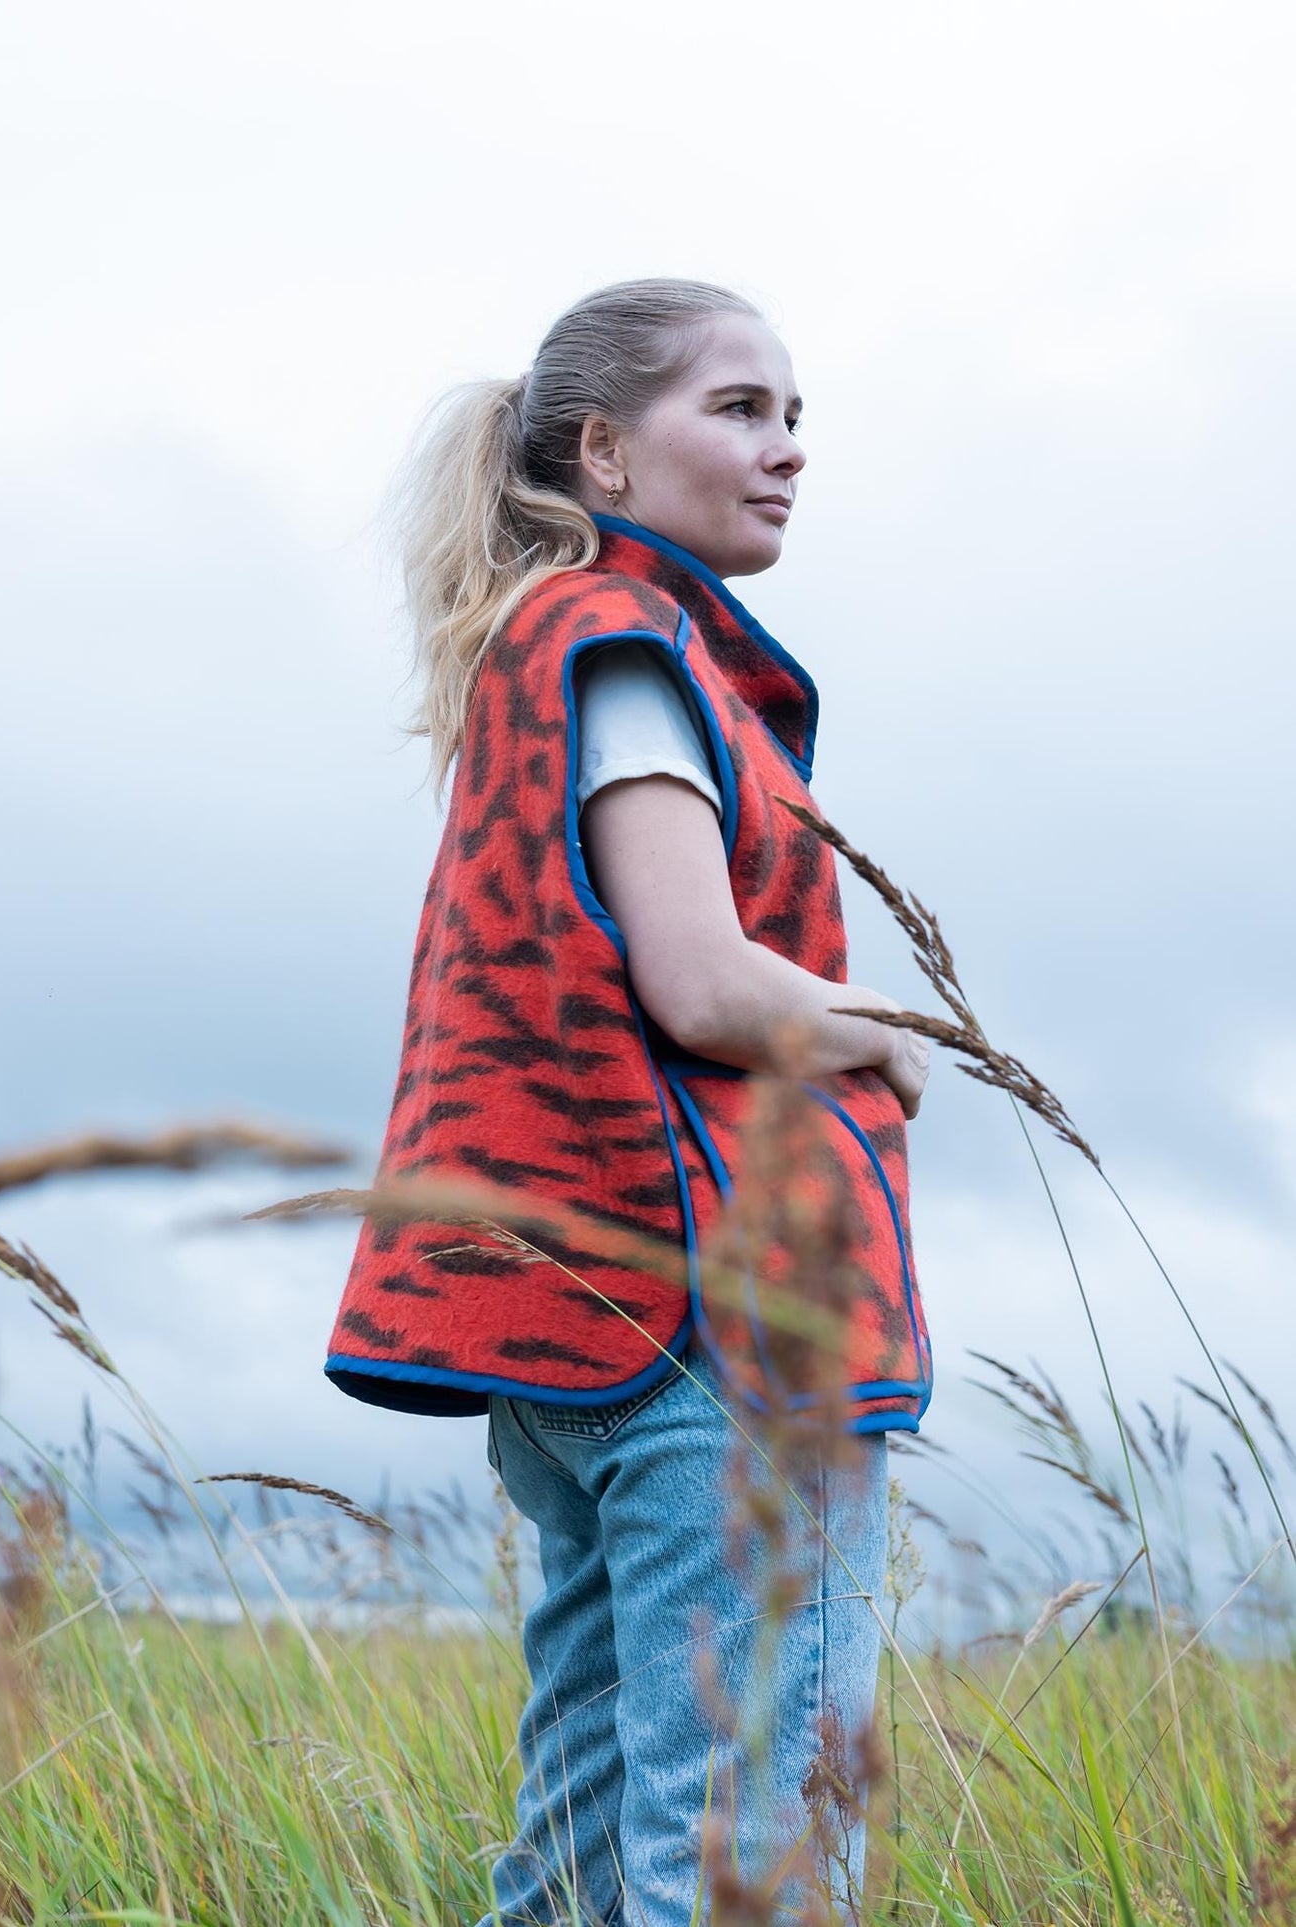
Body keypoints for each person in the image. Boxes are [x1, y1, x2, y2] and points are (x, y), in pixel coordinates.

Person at [324, 278, 934, 1925]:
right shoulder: (630, 645)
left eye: (795, 415)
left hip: (574, 1327)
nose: (786, 449)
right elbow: (701, 978)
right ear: (600, 449)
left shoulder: (536, 647)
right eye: (738, 409)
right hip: (713, 1330)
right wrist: (883, 1038)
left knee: (590, 1829)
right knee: (750, 1839)